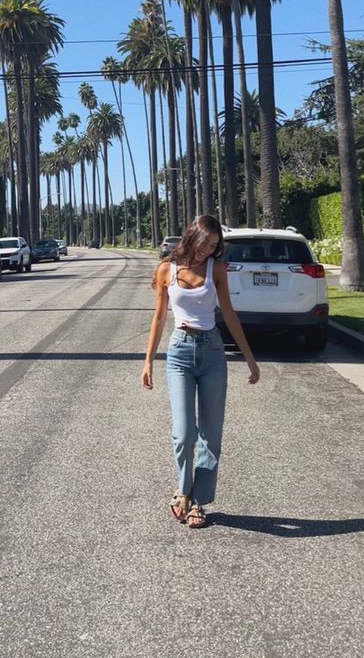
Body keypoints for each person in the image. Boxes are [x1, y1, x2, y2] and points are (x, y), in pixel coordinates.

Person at [141, 214, 260, 529]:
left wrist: (250, 358)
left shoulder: (217, 270)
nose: (208, 249)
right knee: (184, 433)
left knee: (210, 434)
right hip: (179, 351)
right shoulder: (167, 269)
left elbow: (229, 313)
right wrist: (148, 360)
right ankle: (183, 488)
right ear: (191, 235)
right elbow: (158, 318)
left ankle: (198, 502)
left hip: (211, 352)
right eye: (205, 242)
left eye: (214, 245)